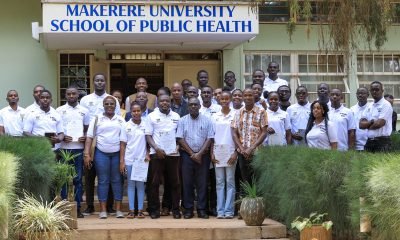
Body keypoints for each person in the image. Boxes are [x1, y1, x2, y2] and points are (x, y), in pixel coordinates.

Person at [80, 73, 120, 216]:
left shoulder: (112, 99)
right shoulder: (85, 99)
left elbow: (118, 121)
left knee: (108, 176)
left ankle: (109, 206)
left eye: (102, 80)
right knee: (90, 175)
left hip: (108, 139)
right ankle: (90, 205)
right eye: (97, 80)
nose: (99, 83)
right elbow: (82, 118)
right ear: (93, 82)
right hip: (91, 138)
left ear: (105, 82)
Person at [84, 96, 125, 219]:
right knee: (103, 180)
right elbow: (89, 138)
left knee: (117, 180)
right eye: (106, 104)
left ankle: (118, 210)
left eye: (112, 104)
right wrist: (87, 154)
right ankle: (102, 210)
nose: (109, 106)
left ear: (116, 105)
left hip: (117, 153)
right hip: (101, 153)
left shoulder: (121, 120)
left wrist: (122, 160)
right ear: (103, 105)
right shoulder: (96, 119)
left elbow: (123, 141)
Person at [177, 97, 214, 219]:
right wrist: (192, 154)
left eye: (195, 104)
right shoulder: (182, 121)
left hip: (203, 156)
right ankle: (188, 209)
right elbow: (180, 138)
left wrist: (199, 154)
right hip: (187, 156)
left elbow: (210, 138)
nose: (193, 106)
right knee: (187, 183)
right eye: (191, 105)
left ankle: (202, 209)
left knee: (202, 183)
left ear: (199, 106)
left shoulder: (207, 120)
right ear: (188, 107)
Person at [145, 95, 181, 219]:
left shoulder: (176, 116)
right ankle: (154, 209)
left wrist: (177, 147)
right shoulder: (151, 116)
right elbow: (148, 136)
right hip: (157, 154)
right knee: (154, 183)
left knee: (174, 183)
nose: (164, 103)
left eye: (167, 101)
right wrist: (156, 149)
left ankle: (175, 209)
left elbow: (179, 135)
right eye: (162, 101)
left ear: (170, 102)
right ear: (158, 103)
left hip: (173, 154)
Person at [56, 85, 90, 218]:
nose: (71, 96)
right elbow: (57, 128)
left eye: (73, 94)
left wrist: (85, 136)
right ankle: (65, 208)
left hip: (79, 150)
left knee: (77, 180)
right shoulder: (59, 110)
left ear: (78, 95)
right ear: (65, 96)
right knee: (64, 179)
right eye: (68, 94)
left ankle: (77, 208)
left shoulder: (84, 111)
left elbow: (87, 128)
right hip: (64, 149)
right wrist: (63, 136)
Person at [231, 88, 268, 186]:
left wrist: (251, 148)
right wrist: (242, 149)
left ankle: (257, 201)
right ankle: (247, 200)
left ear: (254, 97)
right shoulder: (238, 112)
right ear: (243, 97)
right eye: (245, 95)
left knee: (257, 179)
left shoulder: (261, 111)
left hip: (256, 152)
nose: (248, 97)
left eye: (250, 95)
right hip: (242, 152)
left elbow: (264, 132)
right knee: (245, 179)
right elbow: (234, 133)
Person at [120, 102, 150, 219]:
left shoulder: (146, 124)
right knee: (131, 185)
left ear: (141, 112)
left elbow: (148, 142)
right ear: (130, 112)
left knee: (141, 185)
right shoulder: (126, 125)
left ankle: (140, 210)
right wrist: (122, 161)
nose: (136, 113)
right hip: (129, 159)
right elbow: (122, 145)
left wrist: (147, 154)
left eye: (138, 111)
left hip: (142, 160)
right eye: (134, 111)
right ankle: (132, 210)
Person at [211, 91, 237, 219]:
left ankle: (229, 211)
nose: (225, 101)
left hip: (231, 152)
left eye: (227, 99)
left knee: (230, 181)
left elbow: (239, 135)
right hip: (218, 153)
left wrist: (236, 152)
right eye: (222, 99)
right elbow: (211, 136)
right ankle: (220, 211)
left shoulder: (236, 114)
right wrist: (212, 153)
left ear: (230, 100)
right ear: (218, 100)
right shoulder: (215, 116)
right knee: (220, 182)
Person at [360, 81, 393, 152]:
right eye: (372, 90)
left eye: (377, 89)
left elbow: (379, 124)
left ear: (382, 91)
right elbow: (361, 125)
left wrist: (367, 126)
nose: (374, 91)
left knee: (381, 163)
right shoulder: (369, 106)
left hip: (382, 142)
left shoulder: (386, 105)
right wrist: (372, 122)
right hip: (369, 142)